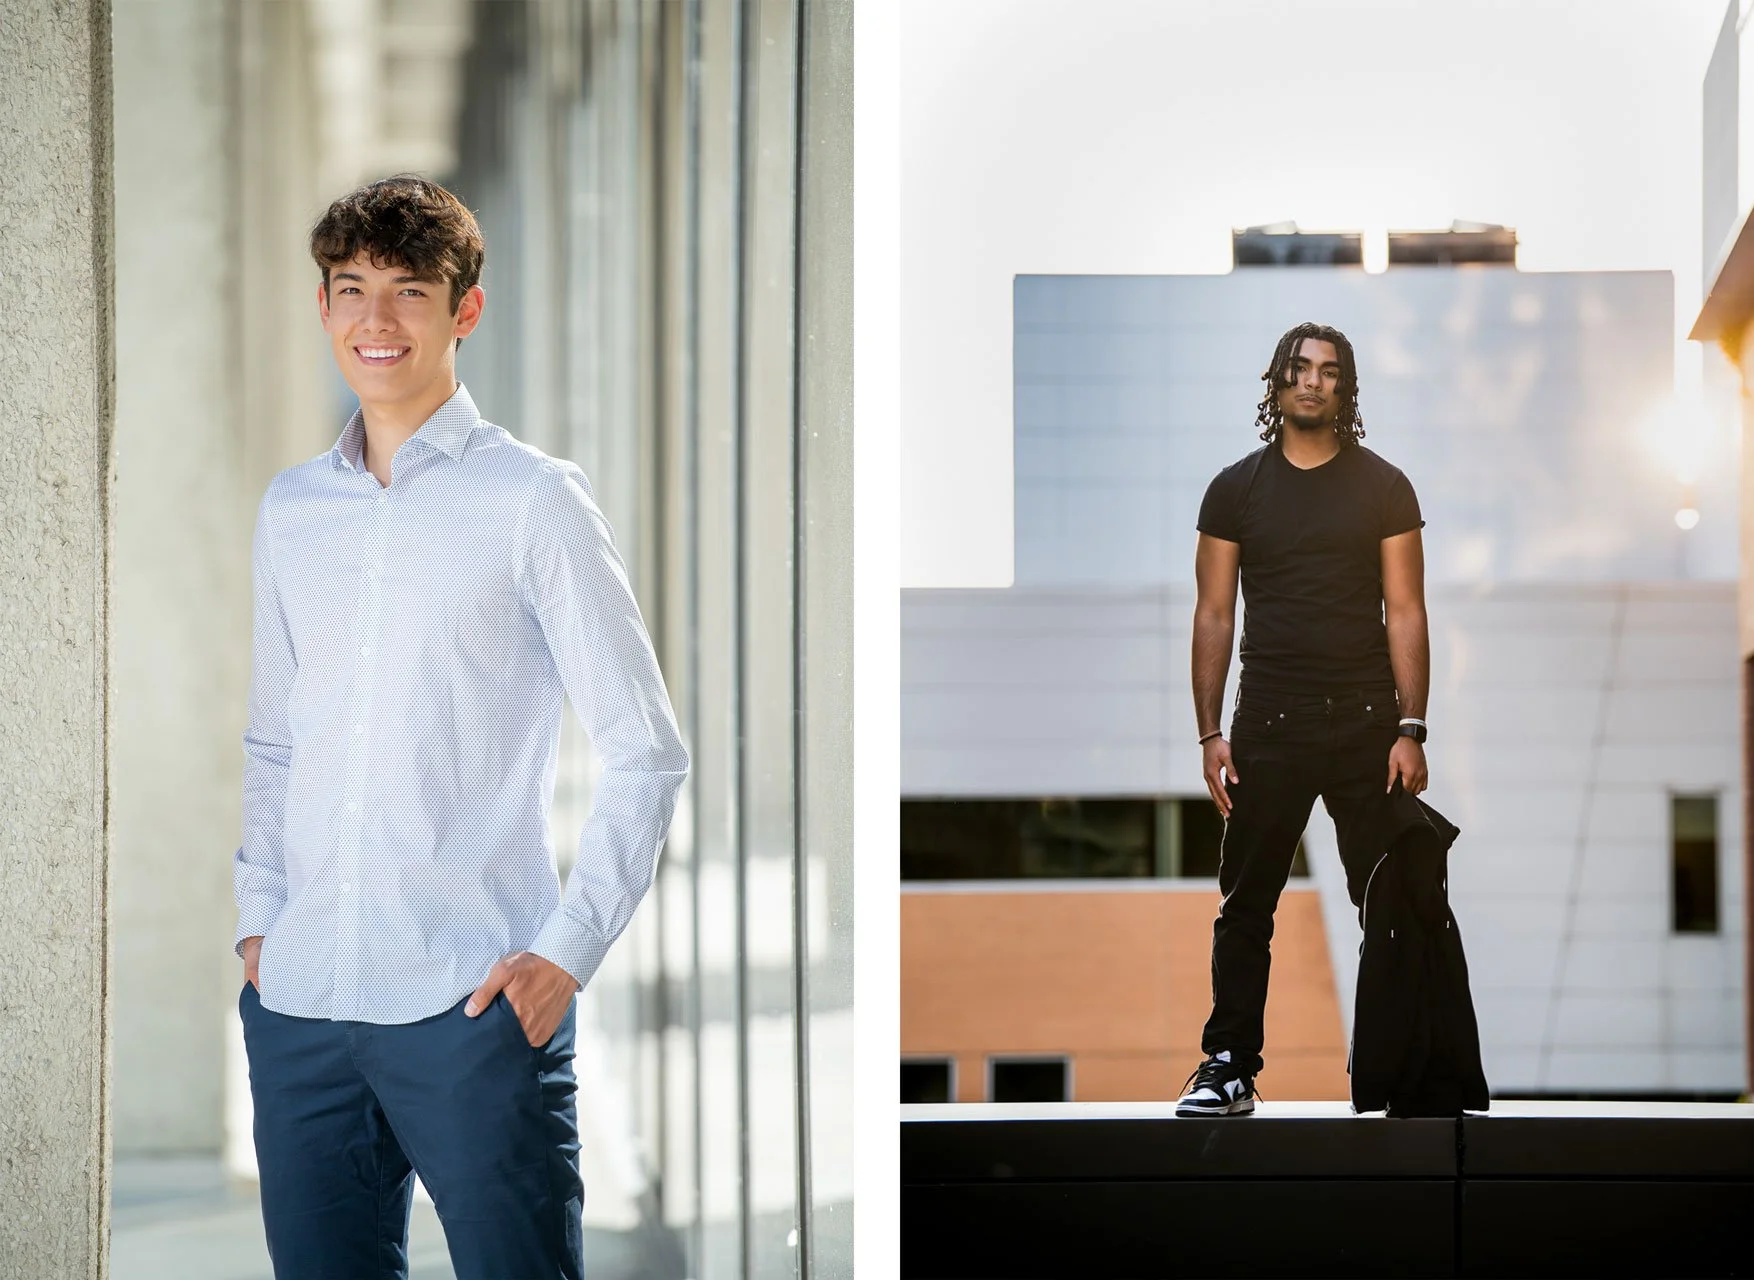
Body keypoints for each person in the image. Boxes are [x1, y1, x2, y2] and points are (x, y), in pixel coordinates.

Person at [231, 175, 689, 1277]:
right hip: (301, 1007)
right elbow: (274, 740)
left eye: (407, 292)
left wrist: (564, 955)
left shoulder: (533, 500)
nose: (375, 321)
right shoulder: (293, 508)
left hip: (472, 1004)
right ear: (323, 306)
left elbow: (644, 749)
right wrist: (260, 924)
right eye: (350, 290)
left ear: (463, 312)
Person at [1176, 321, 1428, 1118]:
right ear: (1277, 383)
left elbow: (1407, 610)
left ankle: (1400, 1072)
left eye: (1328, 372)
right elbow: (1214, 614)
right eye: (1300, 369)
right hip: (1270, 727)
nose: (1312, 382)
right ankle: (1227, 1067)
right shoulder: (1234, 491)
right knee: (1246, 903)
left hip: (1365, 725)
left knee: (1389, 901)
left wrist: (1411, 726)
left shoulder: (1385, 486)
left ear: (1344, 389)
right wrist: (1210, 734)